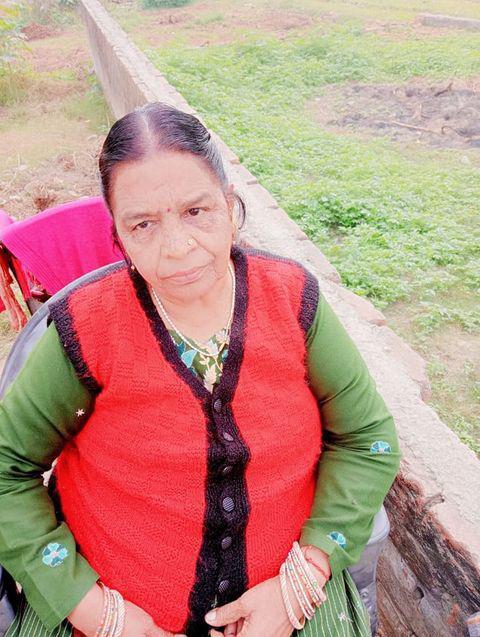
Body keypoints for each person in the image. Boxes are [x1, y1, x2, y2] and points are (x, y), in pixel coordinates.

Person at [0, 102, 400, 637]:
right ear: (118, 236)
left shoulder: (292, 300)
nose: (178, 248)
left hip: (291, 598)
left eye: (196, 211)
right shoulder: (86, 327)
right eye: (143, 224)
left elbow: (367, 438)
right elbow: (6, 468)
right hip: (107, 614)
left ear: (230, 207)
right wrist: (96, 612)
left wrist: (305, 576)